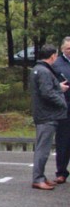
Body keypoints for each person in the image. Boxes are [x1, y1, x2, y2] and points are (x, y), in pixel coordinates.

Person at [29, 44, 69, 190]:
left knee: (43, 147)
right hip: (47, 115)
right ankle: (38, 178)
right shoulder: (44, 71)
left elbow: (46, 89)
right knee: (43, 149)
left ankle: (41, 176)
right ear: (53, 56)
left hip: (43, 113)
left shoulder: (38, 69)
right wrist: (62, 102)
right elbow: (47, 93)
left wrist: (58, 87)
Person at [51, 36, 70, 183]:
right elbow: (49, 85)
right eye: (68, 48)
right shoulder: (56, 64)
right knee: (63, 141)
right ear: (62, 49)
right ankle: (61, 172)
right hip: (64, 108)